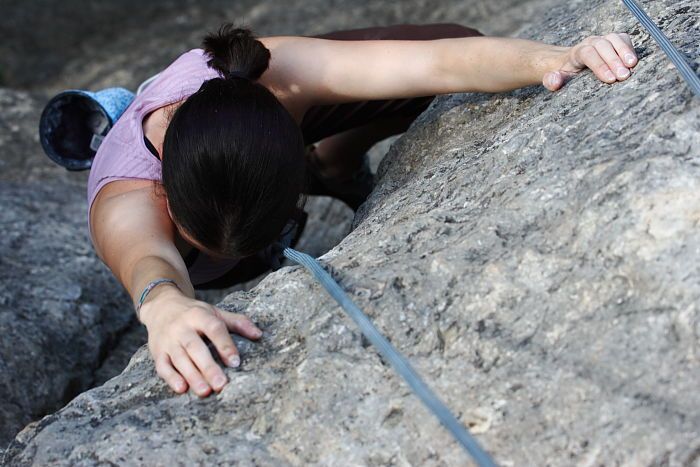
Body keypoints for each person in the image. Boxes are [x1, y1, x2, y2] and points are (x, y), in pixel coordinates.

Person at [87, 22, 638, 397]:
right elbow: (147, 263)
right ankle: (115, 114)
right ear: (167, 195)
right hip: (213, 164)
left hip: (261, 123)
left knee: (460, 60)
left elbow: (440, 61)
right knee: (230, 257)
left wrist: (555, 58)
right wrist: (164, 308)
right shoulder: (129, 196)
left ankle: (330, 162)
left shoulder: (278, 77)